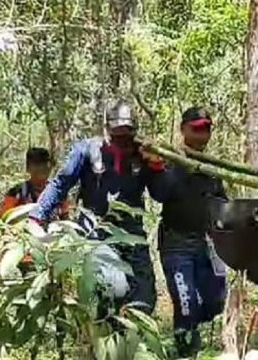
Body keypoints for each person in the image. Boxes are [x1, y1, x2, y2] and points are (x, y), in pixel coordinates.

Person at [29, 99, 165, 316]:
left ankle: (134, 345)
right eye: (117, 131)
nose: (122, 137)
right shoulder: (86, 151)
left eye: (127, 131)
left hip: (132, 233)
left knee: (144, 297)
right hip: (96, 231)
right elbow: (61, 183)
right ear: (107, 128)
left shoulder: (142, 154)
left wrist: (156, 166)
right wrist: (37, 217)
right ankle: (102, 339)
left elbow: (161, 194)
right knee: (113, 288)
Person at [152, 107, 228, 357]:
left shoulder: (213, 168)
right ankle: (186, 355)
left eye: (206, 128)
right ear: (183, 129)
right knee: (186, 304)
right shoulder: (171, 162)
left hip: (206, 245)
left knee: (216, 301)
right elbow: (159, 193)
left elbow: (221, 202)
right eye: (196, 129)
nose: (201, 134)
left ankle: (191, 328)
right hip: (176, 245)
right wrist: (163, 168)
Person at [1, 147, 69, 218]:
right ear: (28, 168)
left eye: (45, 163)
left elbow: (65, 217)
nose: (42, 167)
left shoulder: (58, 191)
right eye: (36, 164)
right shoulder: (15, 193)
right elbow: (5, 219)